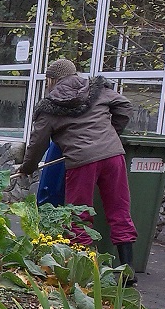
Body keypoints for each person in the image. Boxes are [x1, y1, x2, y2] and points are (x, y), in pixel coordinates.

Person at [17, 59, 135, 267]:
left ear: (52, 80)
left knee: (79, 215)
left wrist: (27, 167)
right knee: (119, 210)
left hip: (82, 162)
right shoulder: (97, 90)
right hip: (113, 156)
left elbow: (38, 143)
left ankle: (83, 270)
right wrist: (110, 134)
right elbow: (125, 106)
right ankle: (129, 270)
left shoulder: (49, 106)